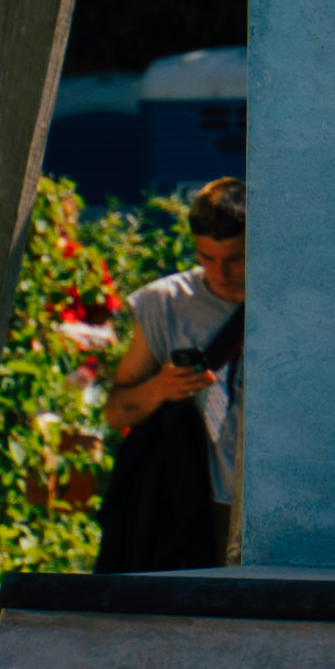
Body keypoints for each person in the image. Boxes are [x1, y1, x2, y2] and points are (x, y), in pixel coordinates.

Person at [96, 174, 243, 572]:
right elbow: (115, 412)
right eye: (206, 257)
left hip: (271, 505)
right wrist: (161, 387)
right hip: (191, 500)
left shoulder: (293, 302)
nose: (220, 272)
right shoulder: (165, 303)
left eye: (234, 259)